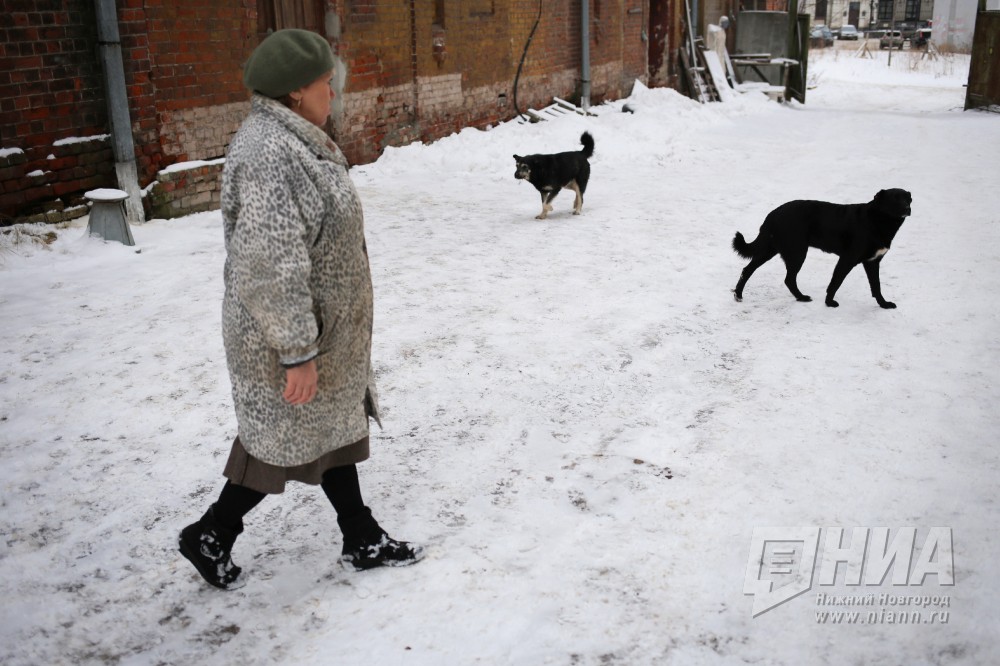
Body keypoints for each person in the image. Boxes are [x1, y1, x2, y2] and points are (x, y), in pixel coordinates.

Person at [178, 28, 423, 590]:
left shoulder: (296, 140)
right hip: (285, 335)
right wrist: (297, 353)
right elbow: (271, 264)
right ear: (295, 90)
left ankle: (359, 535)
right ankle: (211, 533)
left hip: (319, 331)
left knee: (331, 427)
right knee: (278, 443)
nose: (333, 92)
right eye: (325, 83)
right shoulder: (269, 153)